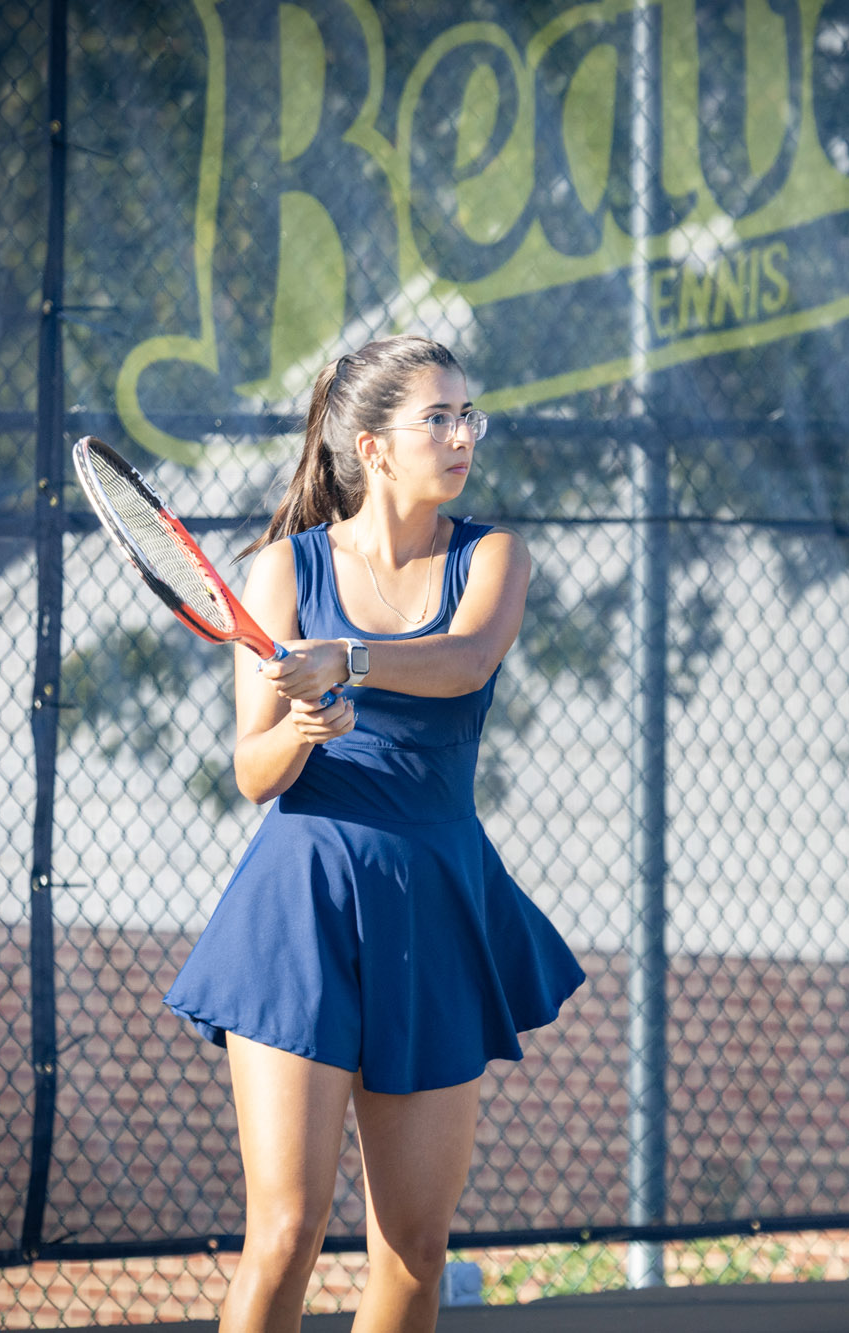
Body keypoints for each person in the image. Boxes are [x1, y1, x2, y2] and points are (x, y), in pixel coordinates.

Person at [161, 335, 587, 1333]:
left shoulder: (492, 556)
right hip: (299, 907)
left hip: (436, 901)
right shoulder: (280, 572)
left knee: (414, 1249)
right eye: (434, 418)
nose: (460, 435)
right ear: (373, 447)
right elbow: (252, 772)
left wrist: (345, 660)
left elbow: (467, 657)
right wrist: (302, 726)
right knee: (287, 1231)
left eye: (465, 415)